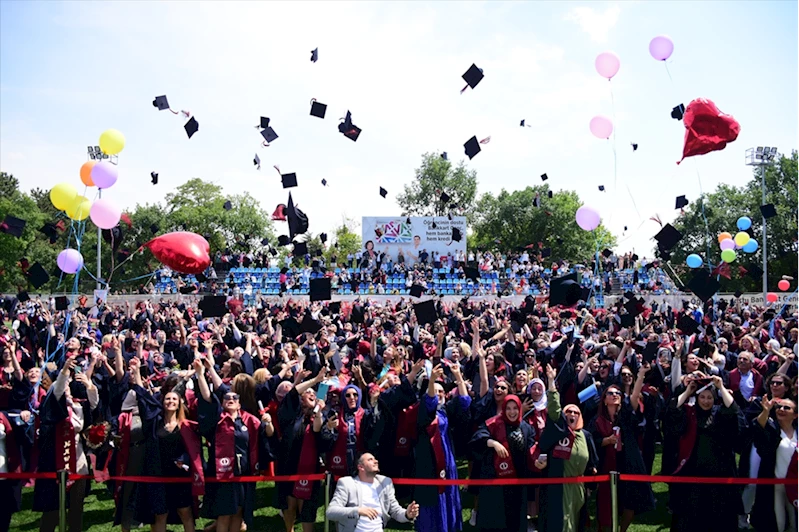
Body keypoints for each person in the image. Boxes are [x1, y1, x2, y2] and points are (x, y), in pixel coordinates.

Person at [666, 374, 740, 531]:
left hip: (718, 474)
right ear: (697, 398)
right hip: (692, 472)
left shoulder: (720, 414)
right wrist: (688, 391)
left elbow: (734, 410)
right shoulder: (689, 413)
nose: (706, 401)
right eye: (703, 397)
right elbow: (673, 409)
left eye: (709, 398)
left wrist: (721, 387)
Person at [537, 364, 598, 532]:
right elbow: (555, 410)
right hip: (560, 484)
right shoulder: (560, 430)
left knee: (576, 520)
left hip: (578, 486)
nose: (572, 415)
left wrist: (592, 471)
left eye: (575, 413)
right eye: (568, 412)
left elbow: (592, 461)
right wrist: (551, 382)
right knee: (563, 522)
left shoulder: (585, 435)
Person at [414, 363, 471, 532]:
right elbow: (430, 402)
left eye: (441, 391)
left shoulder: (446, 411)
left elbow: (464, 402)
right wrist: (432, 380)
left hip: (447, 458)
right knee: (432, 498)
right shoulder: (422, 410)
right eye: (435, 390)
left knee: (449, 496)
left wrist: (458, 376)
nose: (438, 394)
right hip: (428, 461)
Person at [469, 394, 537, 532]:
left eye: (515, 408)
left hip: (517, 482)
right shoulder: (493, 424)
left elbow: (531, 448)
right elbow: (477, 439)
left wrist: (538, 459)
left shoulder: (526, 427)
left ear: (519, 409)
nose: (512, 412)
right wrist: (493, 443)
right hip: (495, 483)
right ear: (503, 409)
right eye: (508, 408)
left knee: (515, 521)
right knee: (495, 521)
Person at [326, 452, 420, 532]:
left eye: (375, 459)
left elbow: (395, 511)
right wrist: (358, 511)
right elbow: (331, 512)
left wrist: (407, 514)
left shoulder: (385, 482)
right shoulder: (347, 483)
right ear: (361, 467)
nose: (376, 461)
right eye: (370, 459)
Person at [751, 396, 799, 532]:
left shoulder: (798, 433)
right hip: (775, 485)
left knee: (794, 524)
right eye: (779, 407)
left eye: (786, 408)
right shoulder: (772, 428)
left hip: (795, 487)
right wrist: (766, 410)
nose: (781, 410)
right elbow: (758, 426)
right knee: (778, 524)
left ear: (795, 415)